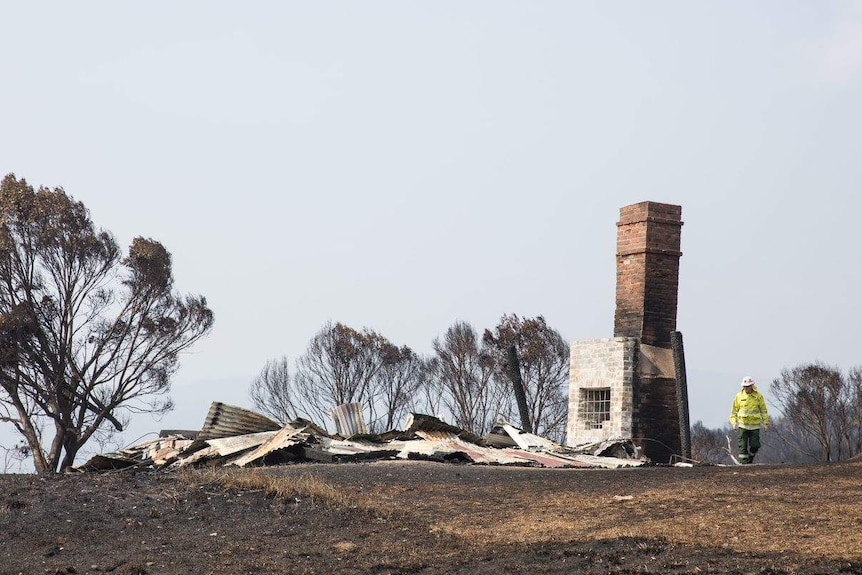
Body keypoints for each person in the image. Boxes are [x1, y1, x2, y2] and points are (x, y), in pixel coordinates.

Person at [729, 376, 770, 464]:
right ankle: (744, 464)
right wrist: (734, 423)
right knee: (742, 446)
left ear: (752, 386)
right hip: (743, 426)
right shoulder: (738, 396)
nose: (746, 388)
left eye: (747, 386)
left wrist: (766, 423)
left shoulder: (758, 396)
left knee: (755, 445)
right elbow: (733, 411)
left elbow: (763, 410)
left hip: (755, 426)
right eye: (744, 386)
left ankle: (750, 457)